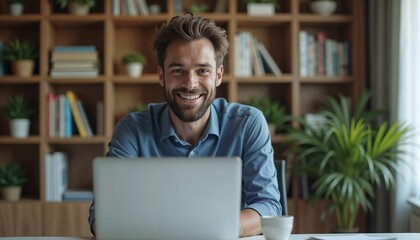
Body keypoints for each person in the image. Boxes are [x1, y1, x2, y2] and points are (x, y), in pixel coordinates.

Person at [88, 13, 281, 237]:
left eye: (202, 70)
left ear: (218, 76)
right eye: (178, 70)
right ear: (161, 75)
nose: (190, 84)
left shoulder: (248, 124)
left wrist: (206, 230)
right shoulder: (132, 129)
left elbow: (268, 207)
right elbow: (102, 216)